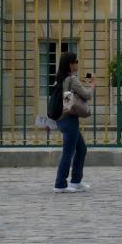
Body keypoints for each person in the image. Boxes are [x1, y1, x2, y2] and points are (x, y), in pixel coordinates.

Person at [53, 51, 91, 194]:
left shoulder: (59, 79)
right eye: (76, 61)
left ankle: (76, 181)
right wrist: (93, 85)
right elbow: (86, 95)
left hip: (61, 119)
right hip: (69, 119)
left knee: (81, 149)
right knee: (68, 153)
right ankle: (60, 184)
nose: (77, 63)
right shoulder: (72, 79)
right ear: (70, 64)